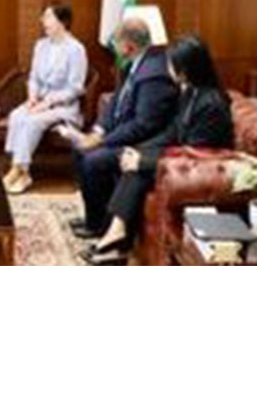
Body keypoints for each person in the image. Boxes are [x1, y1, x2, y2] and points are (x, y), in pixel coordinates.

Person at [87, 34, 234, 265]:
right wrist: (138, 151)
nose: (166, 68)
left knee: (137, 169)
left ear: (185, 69)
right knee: (130, 162)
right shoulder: (190, 91)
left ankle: (115, 238)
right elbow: (173, 132)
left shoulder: (212, 104)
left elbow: (195, 155)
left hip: (200, 168)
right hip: (182, 155)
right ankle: (116, 237)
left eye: (171, 63)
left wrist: (144, 161)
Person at [61, 15, 179, 240]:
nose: (113, 47)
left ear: (128, 46)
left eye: (115, 42)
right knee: (80, 150)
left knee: (93, 160)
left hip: (143, 144)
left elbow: (144, 125)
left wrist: (103, 142)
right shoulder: (134, 64)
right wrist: (98, 131)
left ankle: (101, 226)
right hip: (122, 134)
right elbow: (115, 102)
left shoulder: (155, 75)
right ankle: (95, 220)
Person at [2, 1, 89, 194]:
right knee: (17, 116)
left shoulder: (76, 49)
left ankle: (17, 170)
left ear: (62, 21)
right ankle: (22, 171)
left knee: (33, 121)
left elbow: (75, 89)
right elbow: (33, 77)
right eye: (44, 17)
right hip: (38, 101)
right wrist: (32, 98)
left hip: (63, 107)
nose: (43, 21)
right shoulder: (41, 46)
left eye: (48, 17)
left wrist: (48, 103)